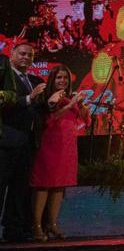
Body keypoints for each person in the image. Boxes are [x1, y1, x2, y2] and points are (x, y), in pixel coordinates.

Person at [30, 65, 89, 241]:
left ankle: (52, 224)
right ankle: (37, 226)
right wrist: (70, 104)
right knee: (44, 184)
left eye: (65, 78)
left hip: (67, 145)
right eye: (58, 78)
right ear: (52, 80)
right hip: (50, 145)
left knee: (59, 185)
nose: (62, 81)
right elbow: (51, 118)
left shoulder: (69, 97)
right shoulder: (48, 97)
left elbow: (84, 118)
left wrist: (81, 104)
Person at [0, 41, 46, 243]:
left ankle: (13, 230)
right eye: (22, 53)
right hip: (6, 140)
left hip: (28, 143)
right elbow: (6, 104)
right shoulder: (4, 77)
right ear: (12, 54)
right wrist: (29, 98)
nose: (26, 57)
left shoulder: (33, 79)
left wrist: (49, 102)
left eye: (30, 55)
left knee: (20, 190)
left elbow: (37, 109)